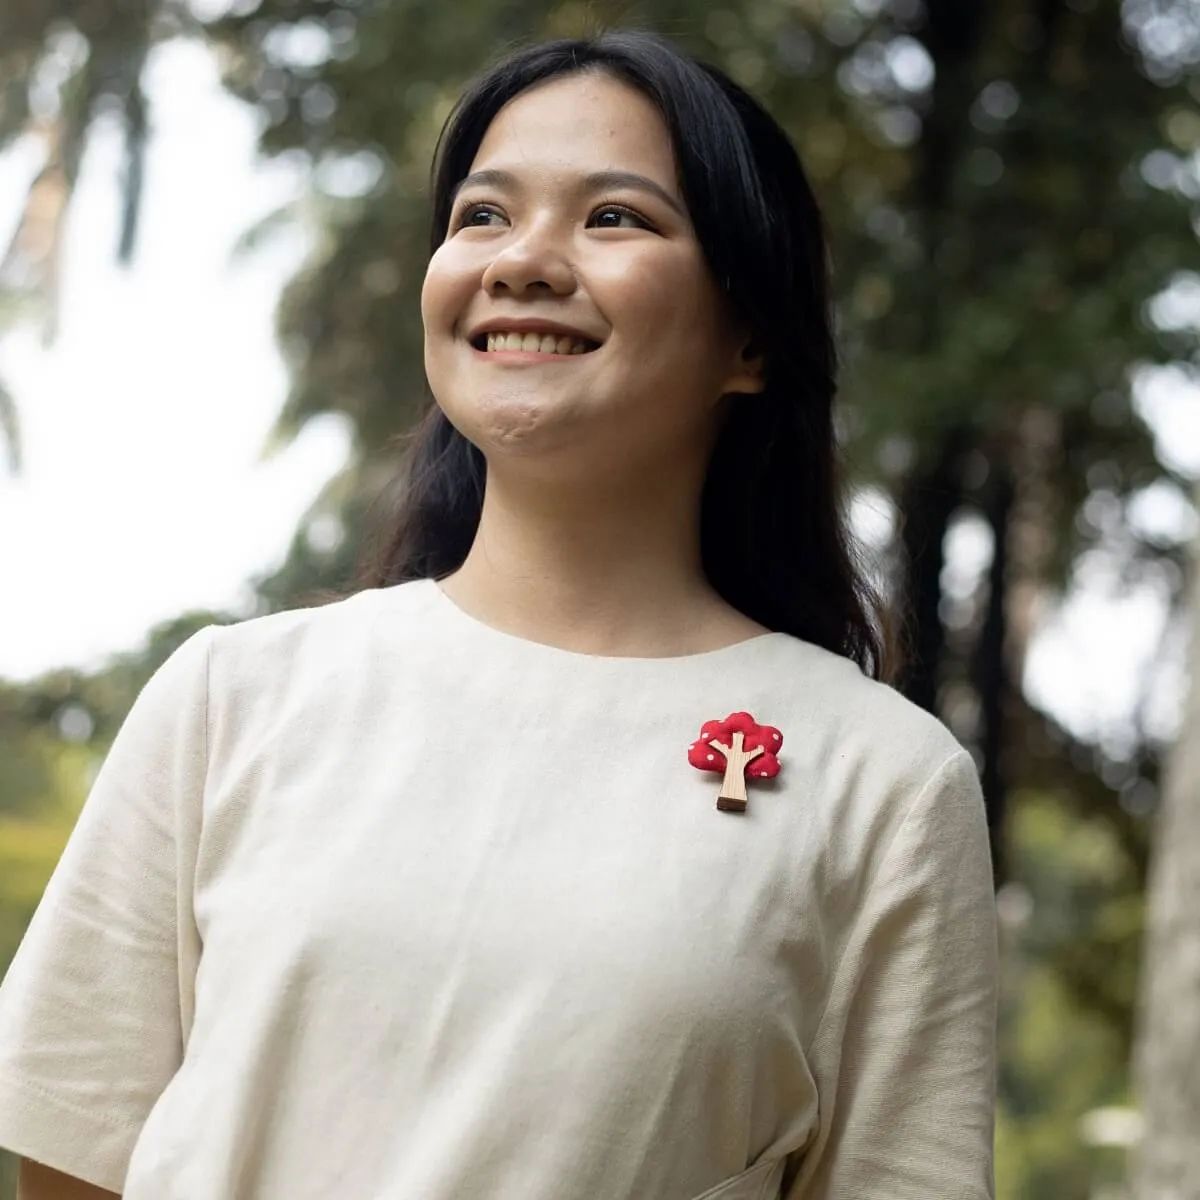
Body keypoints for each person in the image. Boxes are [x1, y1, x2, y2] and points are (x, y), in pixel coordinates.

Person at [0, 30, 998, 1200]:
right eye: (483, 216)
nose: (523, 260)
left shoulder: (879, 780)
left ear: (752, 340)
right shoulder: (234, 696)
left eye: (614, 217)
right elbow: (75, 1155)